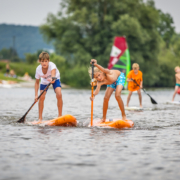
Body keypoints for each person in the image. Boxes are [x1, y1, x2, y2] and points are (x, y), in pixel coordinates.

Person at [35, 52, 63, 121]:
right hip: (44, 81)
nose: (44, 63)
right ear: (39, 61)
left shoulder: (52, 65)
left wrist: (52, 79)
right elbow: (36, 82)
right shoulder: (38, 69)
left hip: (55, 79)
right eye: (42, 61)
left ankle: (59, 116)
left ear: (48, 61)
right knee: (41, 97)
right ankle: (40, 118)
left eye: (46, 61)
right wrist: (36, 95)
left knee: (59, 94)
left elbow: (53, 76)